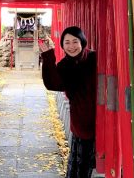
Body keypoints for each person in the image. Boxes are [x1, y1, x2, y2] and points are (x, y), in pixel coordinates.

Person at [39, 26, 97, 178]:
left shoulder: (94, 58)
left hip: (102, 118)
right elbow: (53, 84)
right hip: (80, 120)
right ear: (62, 45)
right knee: (80, 163)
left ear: (82, 41)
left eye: (75, 41)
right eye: (67, 43)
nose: (71, 46)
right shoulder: (65, 65)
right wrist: (48, 56)